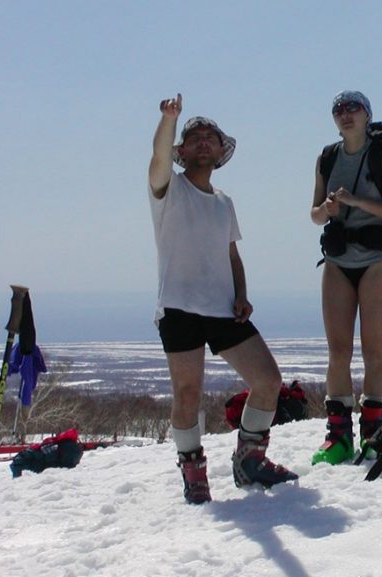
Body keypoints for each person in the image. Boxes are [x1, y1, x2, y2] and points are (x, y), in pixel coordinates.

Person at [148, 93, 297, 504]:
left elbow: (231, 254)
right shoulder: (167, 190)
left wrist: (242, 295)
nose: (203, 142)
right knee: (188, 394)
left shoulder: (224, 203)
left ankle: (250, 460)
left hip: (223, 308)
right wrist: (168, 121)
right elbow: (158, 157)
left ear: (220, 151)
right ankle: (193, 471)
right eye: (194, 137)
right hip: (178, 306)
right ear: (182, 150)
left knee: (268, 380)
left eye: (210, 138)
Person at [309, 90, 382, 465]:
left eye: (353, 108)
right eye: (338, 109)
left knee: (373, 349)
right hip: (338, 259)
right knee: (338, 351)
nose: (345, 115)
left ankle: (373, 432)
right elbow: (315, 215)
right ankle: (338, 438)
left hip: (378, 260)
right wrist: (328, 208)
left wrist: (356, 202)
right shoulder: (327, 157)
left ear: (367, 114)